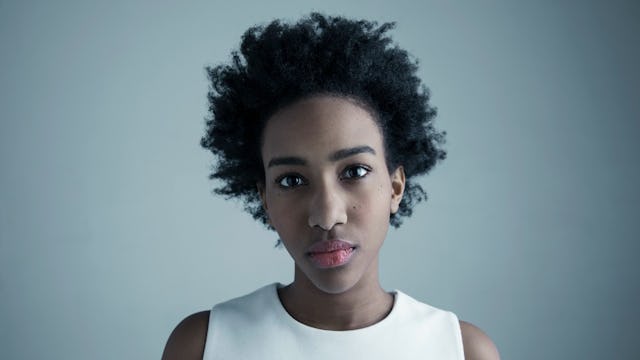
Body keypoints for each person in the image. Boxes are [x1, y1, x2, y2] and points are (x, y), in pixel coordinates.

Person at [162, 13, 500, 360]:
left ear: (396, 187)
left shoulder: (462, 350)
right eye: (291, 180)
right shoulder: (203, 345)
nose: (326, 215)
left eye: (354, 171)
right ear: (264, 197)